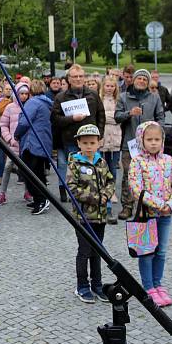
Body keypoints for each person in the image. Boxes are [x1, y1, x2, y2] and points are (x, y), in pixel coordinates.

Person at [128, 121, 172, 307]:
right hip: (147, 214)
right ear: (141, 140)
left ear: (163, 140)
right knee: (147, 251)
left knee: (161, 251)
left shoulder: (169, 160)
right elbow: (136, 189)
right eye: (149, 139)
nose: (153, 143)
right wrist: (159, 204)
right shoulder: (137, 162)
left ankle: (158, 283)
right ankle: (148, 286)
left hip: (166, 214)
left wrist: (171, 204)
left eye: (157, 139)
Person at [67, 124, 114, 303]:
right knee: (85, 251)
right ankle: (82, 286)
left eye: (92, 143)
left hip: (100, 216)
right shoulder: (75, 163)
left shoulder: (101, 162)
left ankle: (97, 284)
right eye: (85, 142)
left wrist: (106, 195)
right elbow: (72, 188)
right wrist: (95, 198)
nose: (88, 146)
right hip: (83, 216)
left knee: (98, 251)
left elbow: (110, 180)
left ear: (98, 143)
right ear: (78, 143)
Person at [114, 69, 164, 219]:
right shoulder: (123, 97)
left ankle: (146, 205)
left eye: (144, 79)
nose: (141, 81)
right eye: (139, 78)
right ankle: (127, 207)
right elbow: (117, 117)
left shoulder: (154, 98)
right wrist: (129, 113)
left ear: (148, 82)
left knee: (149, 175)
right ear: (133, 80)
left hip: (150, 145)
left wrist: (156, 133)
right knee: (129, 175)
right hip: (129, 144)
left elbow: (161, 117)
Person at [51, 64, 106, 203]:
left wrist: (99, 134)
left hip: (90, 139)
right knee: (72, 168)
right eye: (75, 76)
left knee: (90, 167)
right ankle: (72, 193)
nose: (78, 79)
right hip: (70, 139)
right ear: (69, 79)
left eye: (81, 76)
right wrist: (72, 118)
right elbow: (54, 119)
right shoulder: (61, 97)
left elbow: (101, 114)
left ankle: (89, 193)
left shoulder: (93, 94)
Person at [14, 80, 53, 215]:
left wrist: (17, 134)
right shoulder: (46, 102)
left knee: (30, 173)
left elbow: (25, 121)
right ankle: (39, 199)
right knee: (39, 173)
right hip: (43, 142)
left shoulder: (33, 102)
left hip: (32, 143)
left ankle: (41, 199)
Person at [0, 82, 29, 206]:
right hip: (13, 144)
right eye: (21, 93)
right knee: (7, 168)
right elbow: (3, 125)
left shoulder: (30, 106)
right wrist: (9, 139)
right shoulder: (10, 107)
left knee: (27, 170)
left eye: (26, 94)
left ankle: (27, 192)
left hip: (26, 145)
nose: (24, 96)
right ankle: (2, 194)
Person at [100, 75, 121, 223]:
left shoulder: (118, 101)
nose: (109, 88)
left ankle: (112, 191)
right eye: (107, 85)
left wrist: (111, 117)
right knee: (103, 168)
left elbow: (119, 116)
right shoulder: (99, 100)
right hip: (102, 137)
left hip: (116, 137)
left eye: (112, 86)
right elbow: (100, 116)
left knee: (113, 168)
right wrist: (111, 117)